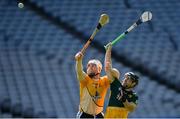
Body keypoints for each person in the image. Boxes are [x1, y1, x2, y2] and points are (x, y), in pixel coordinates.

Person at [104, 43, 139, 118]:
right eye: (125, 77)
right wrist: (108, 51)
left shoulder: (134, 96)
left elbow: (131, 108)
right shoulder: (116, 85)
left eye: (128, 79)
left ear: (133, 84)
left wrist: (124, 100)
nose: (125, 79)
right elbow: (107, 67)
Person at [75, 51, 111, 118]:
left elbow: (109, 68)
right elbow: (79, 71)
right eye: (88, 65)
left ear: (99, 69)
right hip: (84, 115)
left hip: (98, 115)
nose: (90, 67)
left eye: (93, 65)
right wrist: (79, 61)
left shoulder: (105, 80)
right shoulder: (86, 79)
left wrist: (108, 51)